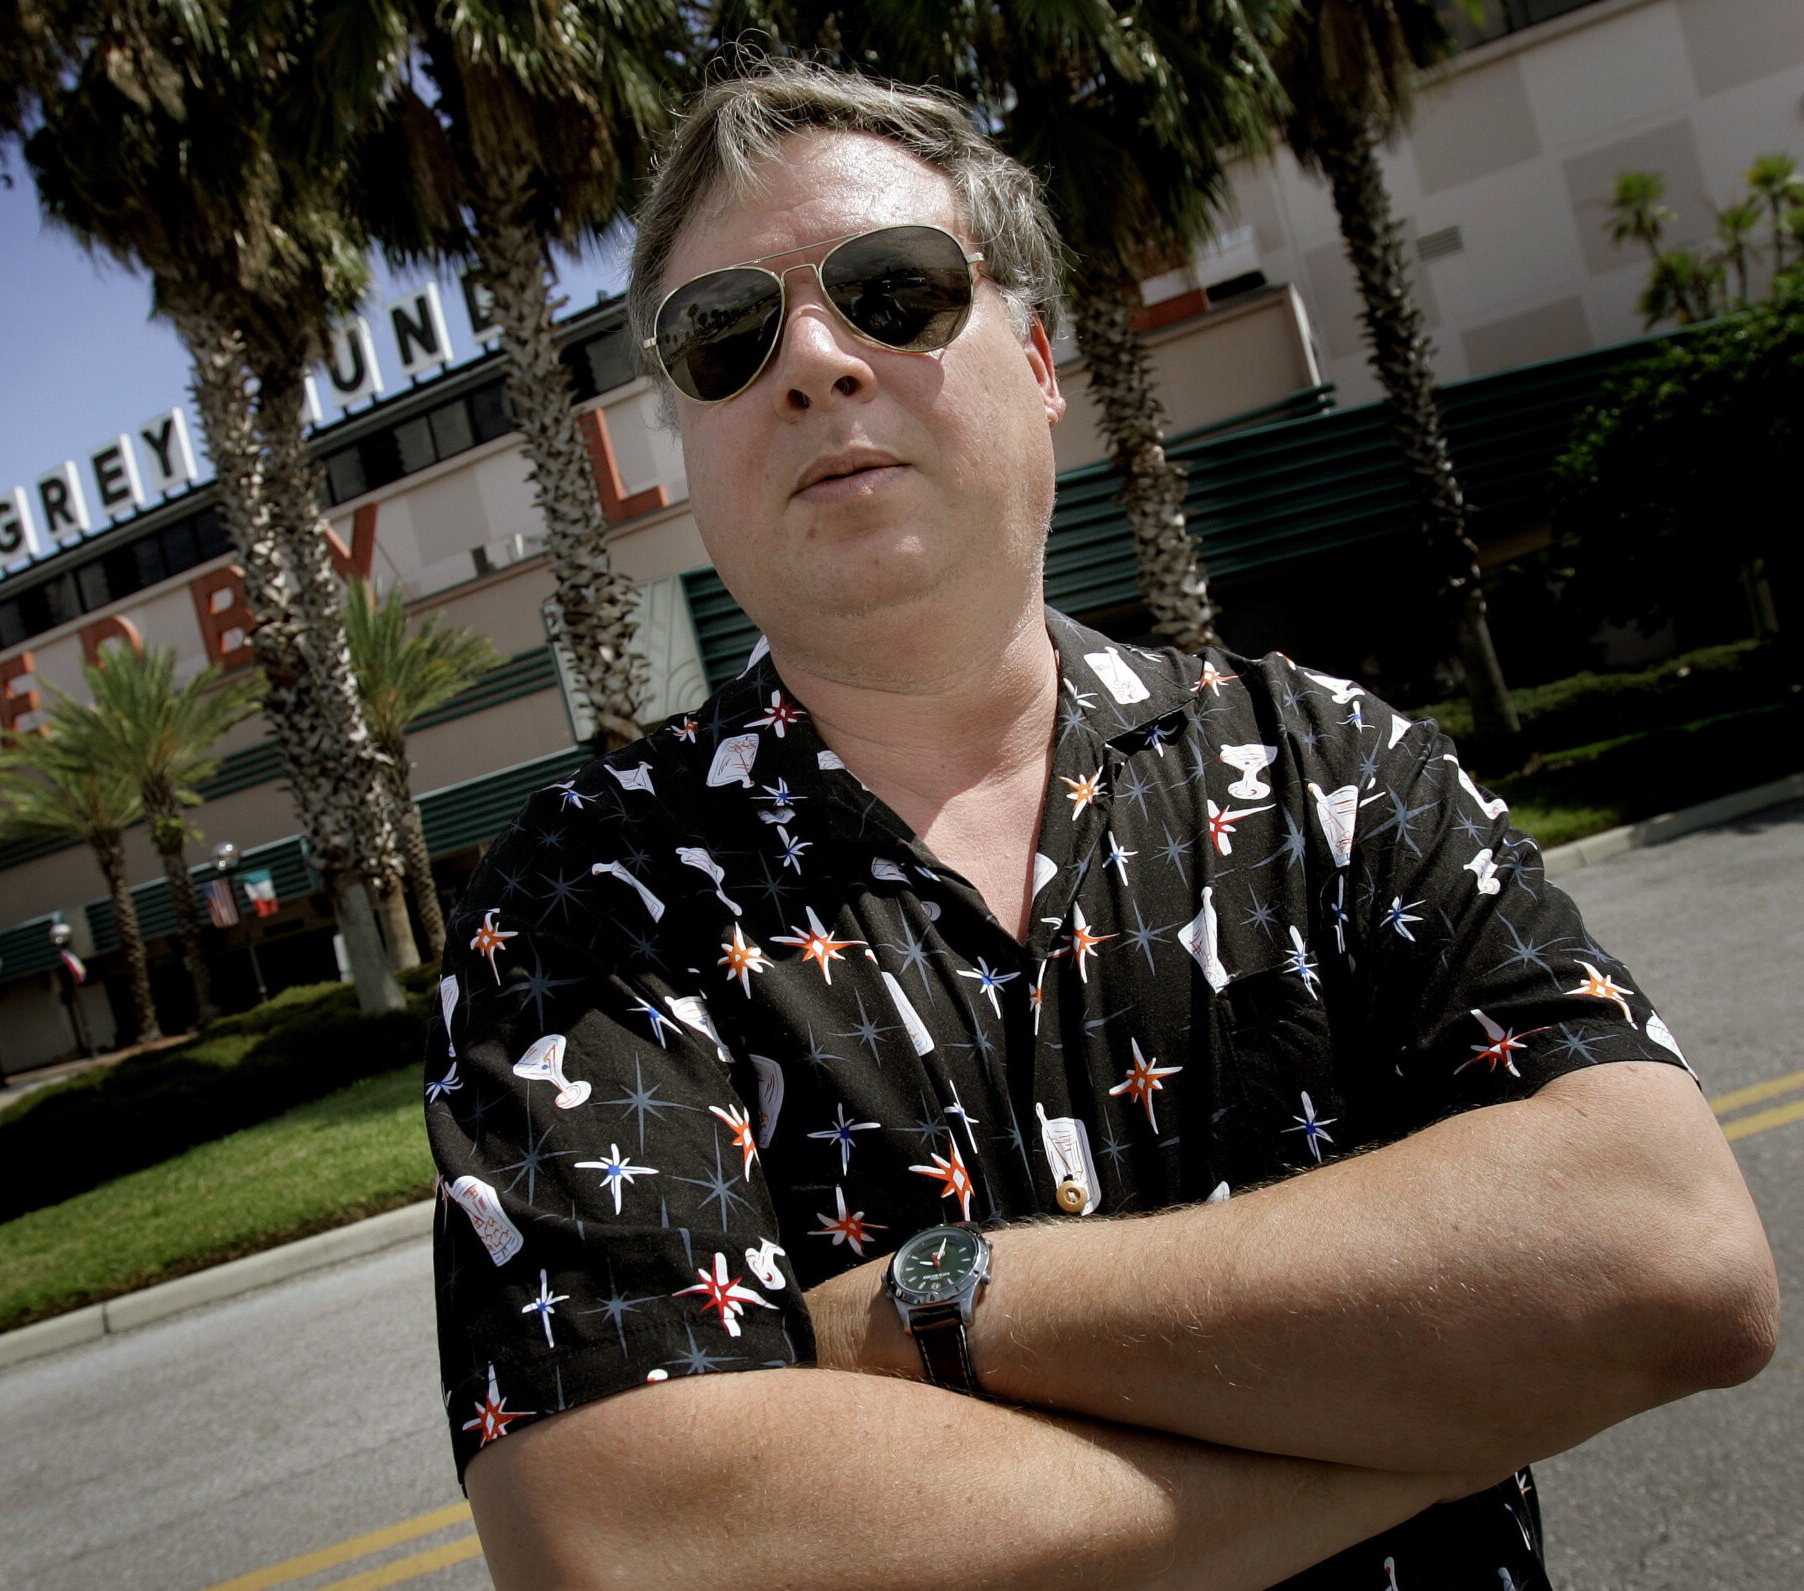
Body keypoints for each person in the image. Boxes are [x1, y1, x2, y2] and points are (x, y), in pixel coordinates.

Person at [422, 61, 1777, 1590]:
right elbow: (634, 1543)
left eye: (895, 289)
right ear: (688, 445)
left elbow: (1673, 1256)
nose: (812, 356)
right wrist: (1417, 1435)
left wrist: (937, 1307)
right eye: (727, 334)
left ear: (1045, 362)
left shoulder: (1326, 759)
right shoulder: (580, 911)